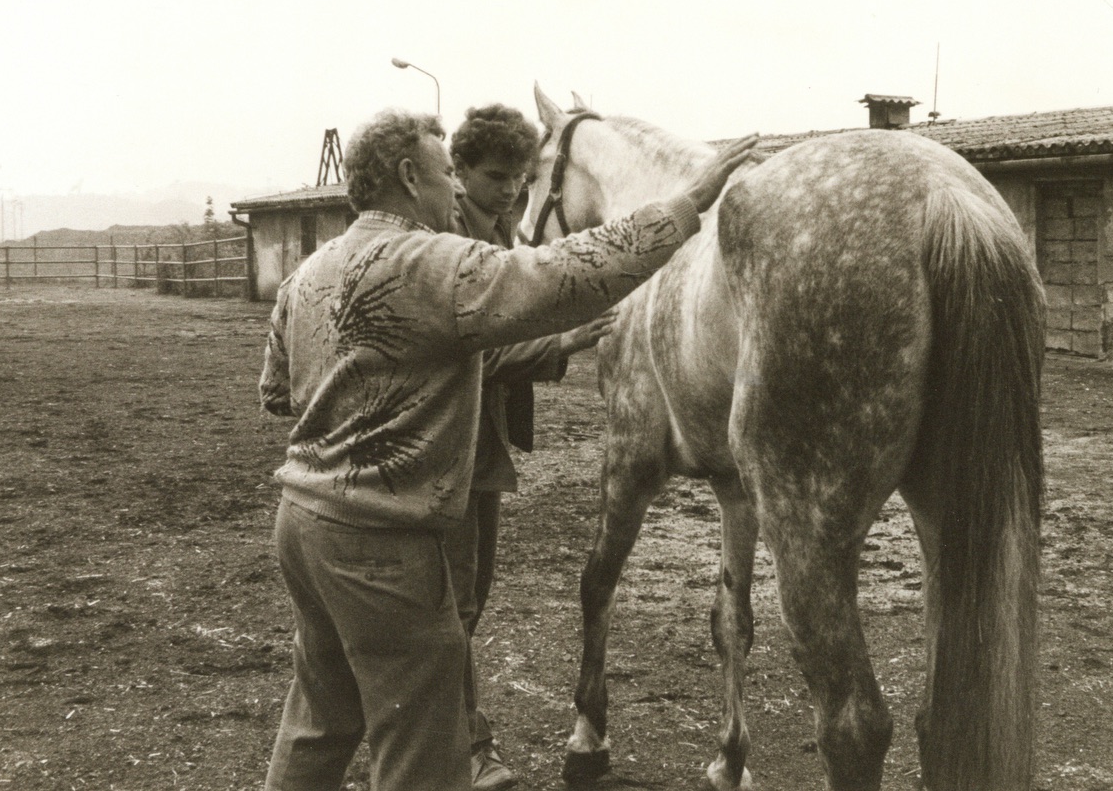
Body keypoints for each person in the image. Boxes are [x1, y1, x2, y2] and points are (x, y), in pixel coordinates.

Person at [259, 107, 757, 791]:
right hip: (385, 542)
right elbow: (563, 271)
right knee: (421, 745)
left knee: (320, 719)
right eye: (445, 173)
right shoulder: (430, 262)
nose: (454, 189)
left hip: (302, 524)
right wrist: (684, 204)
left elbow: (277, 392)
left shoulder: (309, 273)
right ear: (408, 177)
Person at [445, 103, 612, 790]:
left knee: (467, 601)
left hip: (479, 441)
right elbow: (470, 351)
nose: (511, 189)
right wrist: (561, 342)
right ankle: (467, 750)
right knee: (455, 604)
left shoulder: (497, 227)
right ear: (458, 170)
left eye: (519, 176)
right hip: (446, 442)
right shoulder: (452, 235)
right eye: (495, 176)